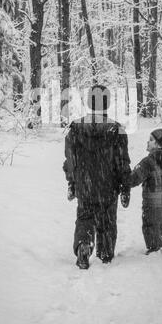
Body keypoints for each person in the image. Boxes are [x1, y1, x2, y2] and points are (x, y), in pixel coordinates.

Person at [63, 85, 131, 269]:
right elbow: (123, 162)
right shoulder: (117, 130)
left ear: (88, 102)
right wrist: (125, 187)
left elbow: (70, 160)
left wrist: (72, 182)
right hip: (108, 185)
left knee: (85, 217)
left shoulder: (75, 129)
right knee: (107, 220)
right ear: (107, 103)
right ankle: (106, 253)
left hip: (84, 185)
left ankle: (84, 245)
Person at [129, 128, 162, 257]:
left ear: (159, 144)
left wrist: (123, 178)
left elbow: (133, 179)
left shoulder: (148, 162)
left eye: (151, 140)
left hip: (152, 204)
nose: (148, 142)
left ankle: (154, 248)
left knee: (150, 224)